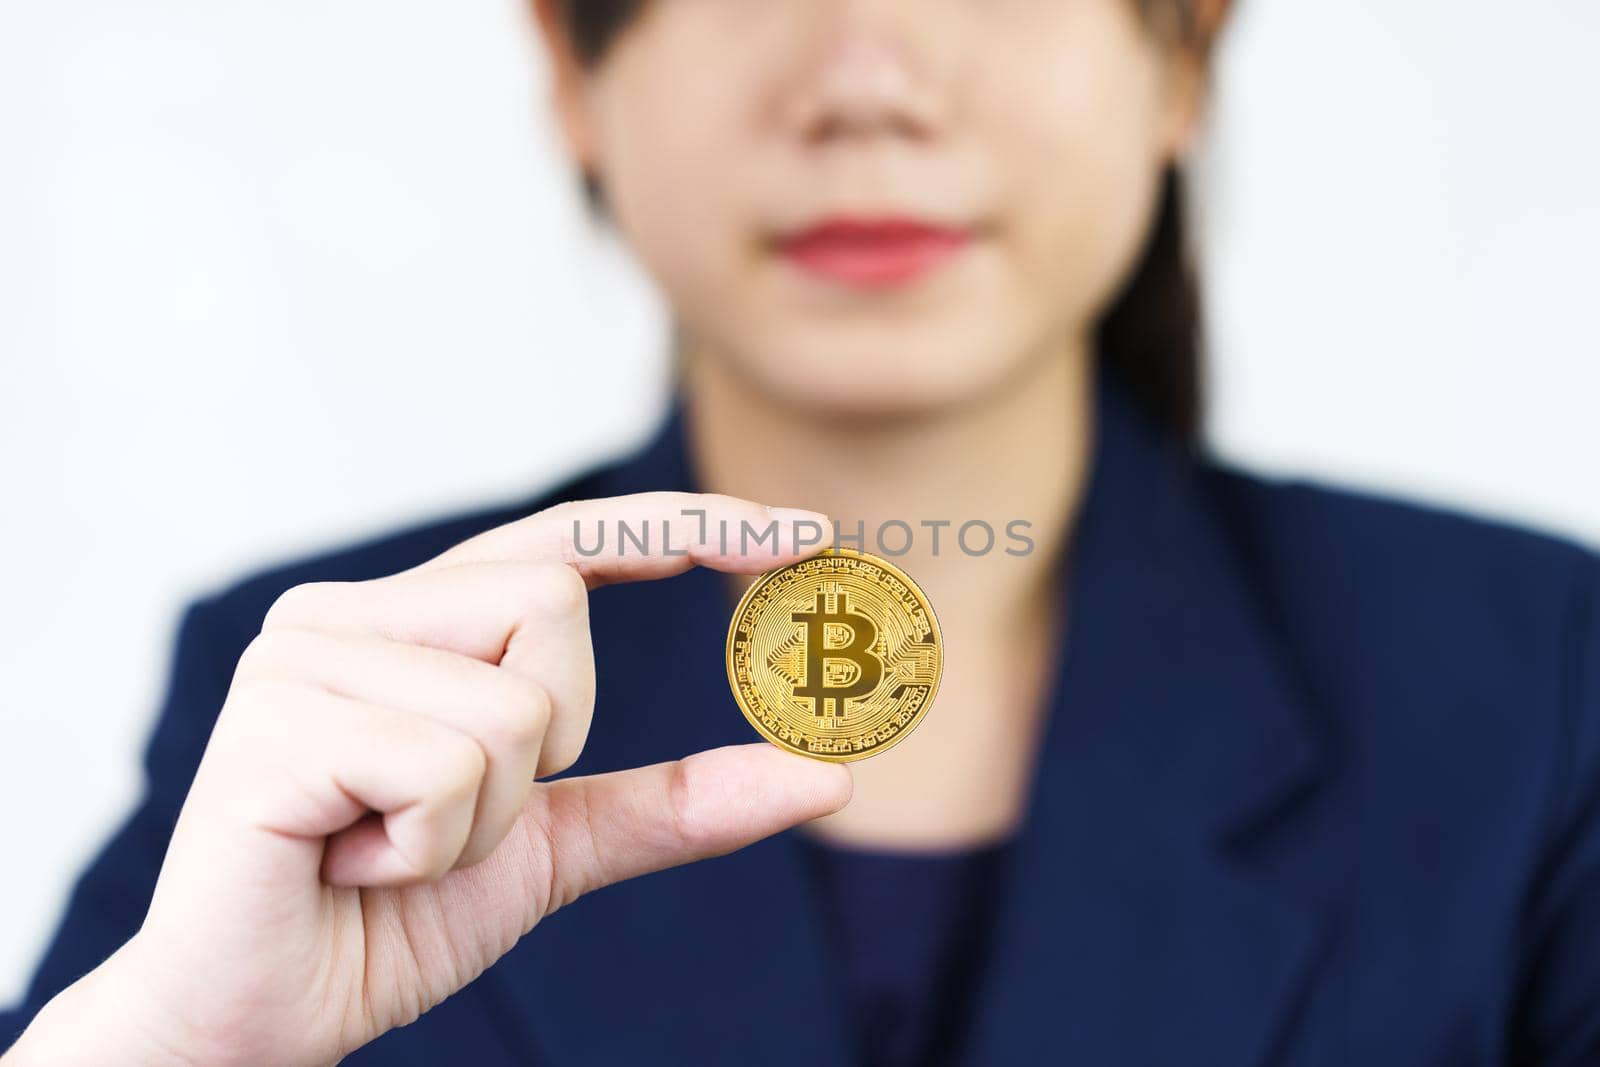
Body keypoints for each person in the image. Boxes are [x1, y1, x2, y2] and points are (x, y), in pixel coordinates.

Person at [5, 0, 1600, 1063]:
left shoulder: (1541, 685)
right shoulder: (328, 700)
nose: (869, 82)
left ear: (1183, 54)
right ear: (570, 65)